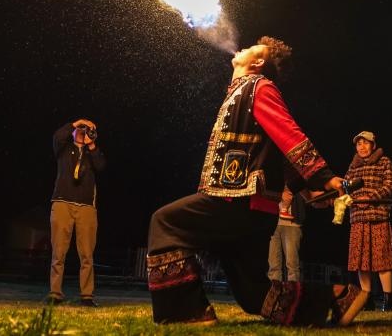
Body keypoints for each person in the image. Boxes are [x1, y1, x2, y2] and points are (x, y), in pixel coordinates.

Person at [146, 36, 369, 326]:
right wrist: (311, 186)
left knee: (165, 223)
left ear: (258, 62)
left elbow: (287, 133)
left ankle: (187, 312)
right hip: (250, 207)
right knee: (253, 295)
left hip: (239, 200)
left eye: (252, 48)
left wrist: (323, 178)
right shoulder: (241, 92)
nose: (242, 48)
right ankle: (339, 296)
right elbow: (277, 150)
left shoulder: (258, 87)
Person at [48, 118, 106, 306]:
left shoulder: (91, 153)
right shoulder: (64, 149)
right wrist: (75, 123)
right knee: (59, 253)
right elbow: (57, 137)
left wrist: (92, 144)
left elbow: (101, 166)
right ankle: (55, 293)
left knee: (87, 254)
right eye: (80, 130)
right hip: (62, 203)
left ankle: (87, 296)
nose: (83, 132)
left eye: (87, 130)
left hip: (86, 207)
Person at [344, 130, 392, 311]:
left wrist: (371, 197)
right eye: (359, 144)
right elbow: (346, 187)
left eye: (365, 143)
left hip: (378, 215)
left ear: (373, 145)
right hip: (358, 217)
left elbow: (389, 185)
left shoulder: (384, 161)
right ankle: (366, 298)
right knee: (361, 261)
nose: (362, 147)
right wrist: (352, 199)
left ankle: (388, 300)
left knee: (382, 258)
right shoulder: (353, 166)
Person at [267, 185, 306, 283]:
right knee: (273, 263)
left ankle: (293, 293)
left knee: (292, 264)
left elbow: (306, 193)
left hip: (293, 224)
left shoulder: (295, 177)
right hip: (274, 223)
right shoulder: (274, 178)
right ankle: (274, 292)